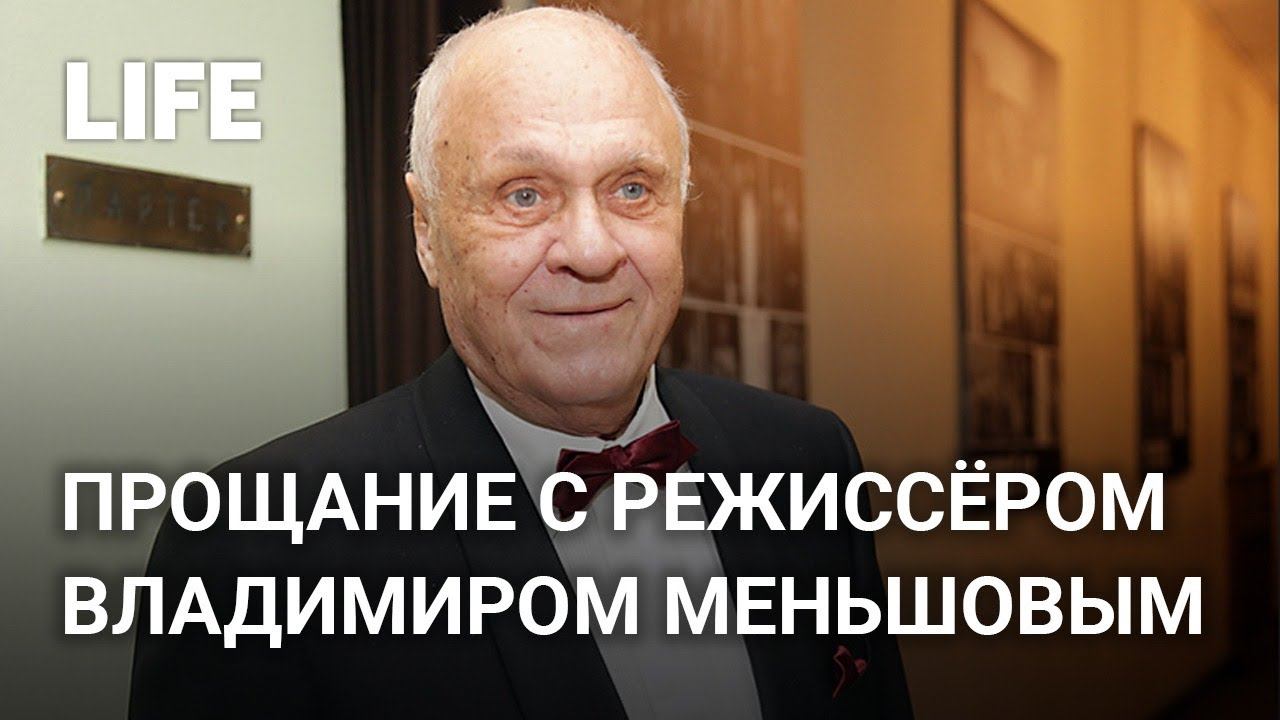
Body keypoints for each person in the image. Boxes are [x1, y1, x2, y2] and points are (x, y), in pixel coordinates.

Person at [130, 7, 912, 719]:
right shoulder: (256, 546)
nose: (591, 250)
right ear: (427, 231)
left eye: (632, 187)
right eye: (524, 195)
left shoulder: (809, 458)